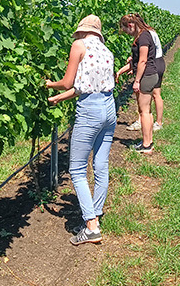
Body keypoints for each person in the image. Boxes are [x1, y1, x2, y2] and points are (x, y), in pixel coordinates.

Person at [46, 14, 116, 245]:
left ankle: (91, 226)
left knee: (76, 169)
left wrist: (49, 85)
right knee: (100, 166)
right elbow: (80, 87)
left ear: (82, 31)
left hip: (90, 111)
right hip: (109, 108)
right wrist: (58, 98)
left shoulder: (79, 45)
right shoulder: (106, 51)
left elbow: (68, 82)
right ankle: (95, 215)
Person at [115, 13, 162, 153]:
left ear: (130, 25)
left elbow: (142, 61)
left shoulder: (143, 37)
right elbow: (135, 62)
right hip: (149, 75)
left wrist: (136, 81)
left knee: (144, 112)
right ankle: (148, 141)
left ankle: (146, 145)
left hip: (146, 76)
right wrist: (120, 72)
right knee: (146, 111)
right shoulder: (143, 35)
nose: (126, 33)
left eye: (125, 29)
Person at [122, 27, 165, 132]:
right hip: (157, 62)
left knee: (150, 94)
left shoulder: (145, 35)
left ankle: (146, 121)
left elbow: (145, 56)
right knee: (154, 94)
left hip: (153, 63)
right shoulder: (150, 32)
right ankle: (155, 122)